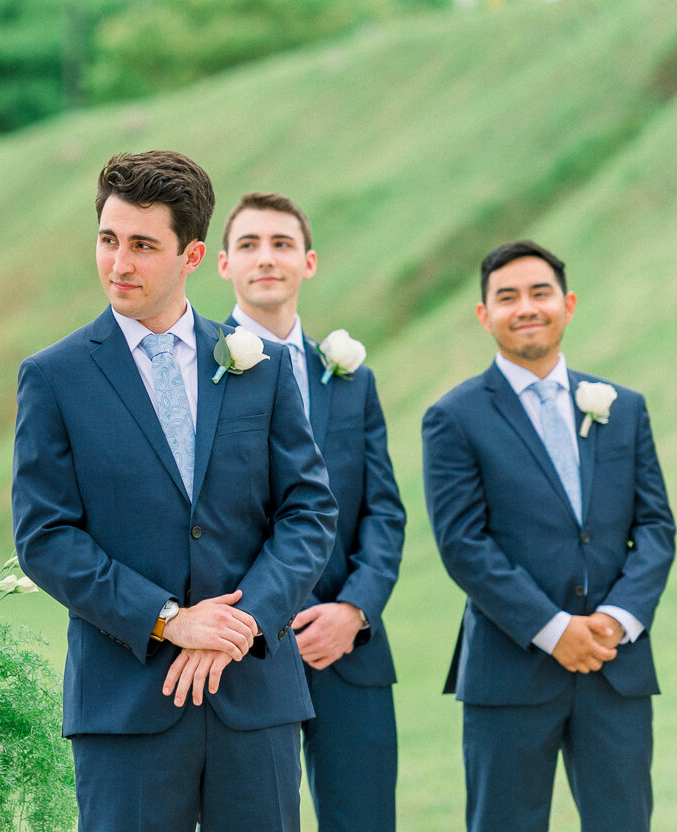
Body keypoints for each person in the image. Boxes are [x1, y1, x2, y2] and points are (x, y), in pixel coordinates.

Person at [12, 150, 337, 831]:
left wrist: (237, 625)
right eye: (107, 240)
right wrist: (170, 619)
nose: (118, 264)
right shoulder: (55, 377)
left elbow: (308, 513)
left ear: (191, 256)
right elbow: (46, 536)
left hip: (254, 701)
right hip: (125, 705)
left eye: (142, 246)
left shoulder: (263, 369)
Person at [422, 240, 674, 832]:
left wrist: (617, 618)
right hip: (510, 668)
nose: (526, 307)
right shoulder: (454, 417)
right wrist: (553, 629)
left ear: (568, 304)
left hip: (616, 666)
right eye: (506, 297)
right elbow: (463, 544)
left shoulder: (624, 408)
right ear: (485, 316)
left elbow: (657, 527)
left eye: (540, 293)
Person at [218, 192, 405, 832]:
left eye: (281, 244)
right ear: (222, 265)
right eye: (248, 245)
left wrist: (355, 611)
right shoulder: (199, 369)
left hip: (349, 651)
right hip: (245, 648)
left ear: (309, 261)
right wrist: (258, 615)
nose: (265, 258)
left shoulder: (351, 380)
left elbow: (384, 511)